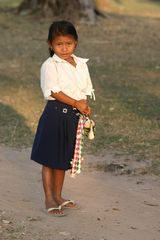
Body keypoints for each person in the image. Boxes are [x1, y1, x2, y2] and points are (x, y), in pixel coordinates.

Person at [31, 20, 95, 217]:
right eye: (59, 44)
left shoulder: (80, 64)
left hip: (73, 117)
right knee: (50, 158)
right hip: (55, 114)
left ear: (75, 42)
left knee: (62, 159)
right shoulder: (50, 65)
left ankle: (58, 196)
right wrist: (76, 103)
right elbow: (53, 91)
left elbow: (83, 89)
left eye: (68, 43)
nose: (64, 48)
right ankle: (49, 197)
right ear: (50, 44)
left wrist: (83, 107)